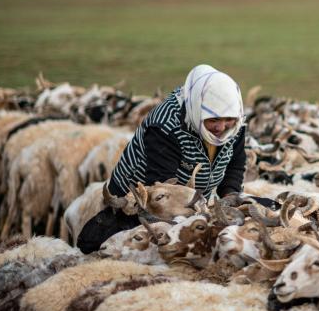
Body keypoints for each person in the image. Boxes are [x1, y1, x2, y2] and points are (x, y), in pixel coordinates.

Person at [76, 64, 247, 253]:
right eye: (213, 120)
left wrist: (230, 196)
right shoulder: (165, 126)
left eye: (227, 119)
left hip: (190, 201)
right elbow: (161, 190)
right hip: (140, 201)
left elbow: (235, 164)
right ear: (197, 110)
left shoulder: (236, 124)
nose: (221, 127)